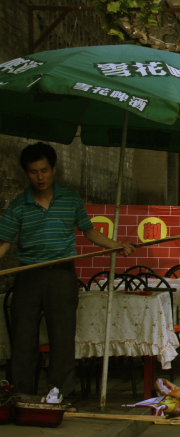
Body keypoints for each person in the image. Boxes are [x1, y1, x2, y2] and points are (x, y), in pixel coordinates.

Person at [0, 143, 134, 407]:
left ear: (54, 169)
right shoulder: (18, 206)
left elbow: (90, 232)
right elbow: (3, 243)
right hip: (28, 276)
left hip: (61, 276)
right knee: (23, 337)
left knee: (62, 336)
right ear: (26, 174)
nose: (39, 177)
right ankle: (21, 395)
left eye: (44, 170)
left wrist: (116, 246)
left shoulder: (71, 200)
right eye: (33, 172)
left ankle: (61, 394)